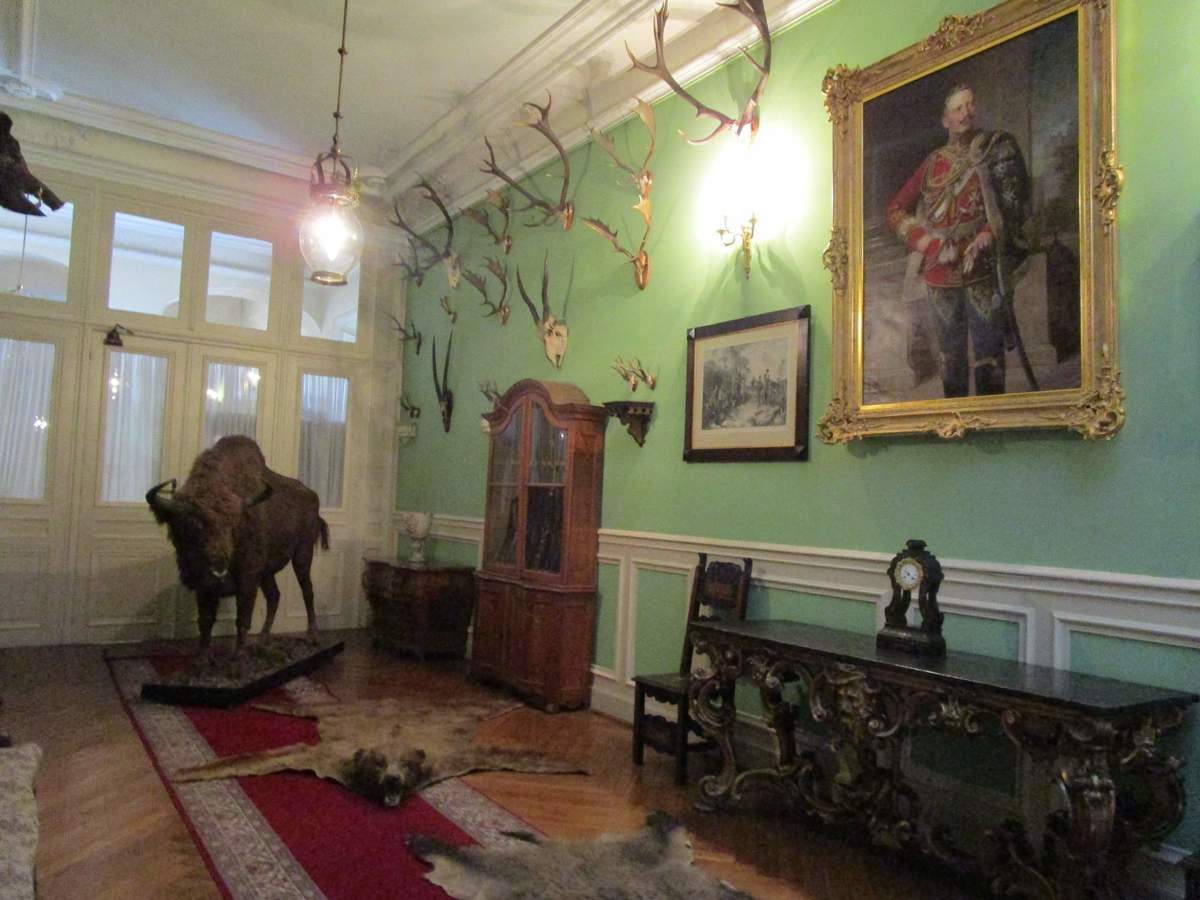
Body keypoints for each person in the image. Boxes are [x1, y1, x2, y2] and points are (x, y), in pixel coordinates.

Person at [886, 84, 1030, 397]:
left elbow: (1012, 204)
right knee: (950, 360)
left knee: (989, 357)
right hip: (940, 274)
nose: (966, 113)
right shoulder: (933, 163)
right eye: (958, 108)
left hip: (983, 269)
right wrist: (930, 244)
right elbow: (895, 210)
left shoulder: (994, 148)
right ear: (945, 120)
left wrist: (988, 232)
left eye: (970, 105)